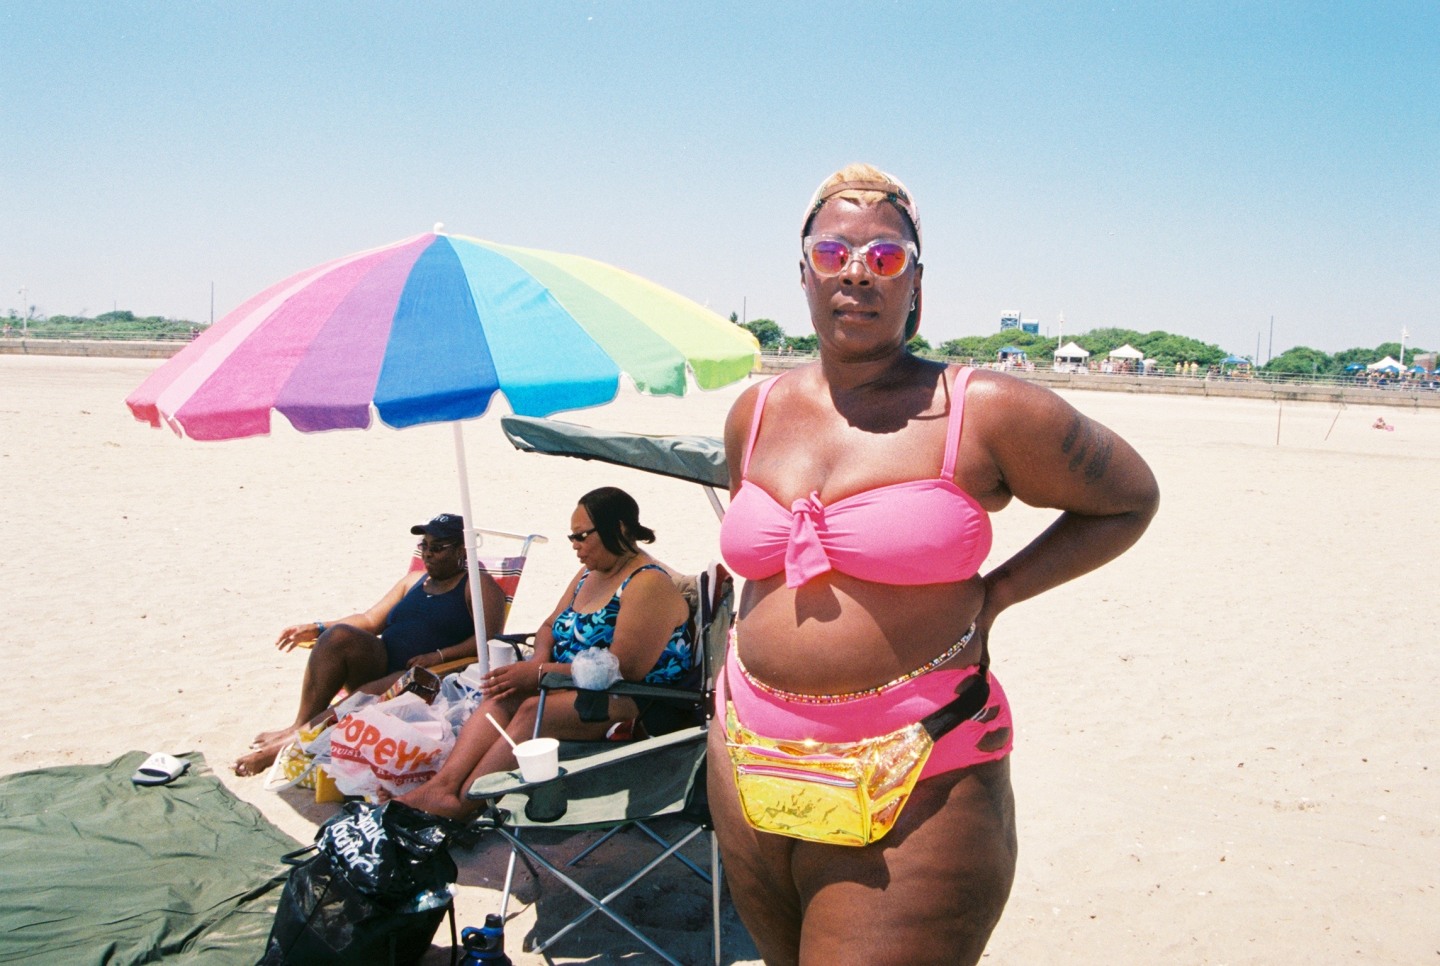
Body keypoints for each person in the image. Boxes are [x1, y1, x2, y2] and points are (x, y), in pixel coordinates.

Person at [708, 164, 1160, 965]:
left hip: (921, 771)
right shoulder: (757, 410)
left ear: (916, 282)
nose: (856, 271)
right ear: (803, 273)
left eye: (886, 257)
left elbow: (1127, 499)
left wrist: (1002, 592)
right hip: (745, 758)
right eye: (833, 252)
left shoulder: (981, 408)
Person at [398, 487, 694, 819]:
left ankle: (465, 802)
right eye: (572, 536)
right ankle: (441, 788)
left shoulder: (647, 583)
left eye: (582, 535)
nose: (574, 544)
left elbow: (623, 669)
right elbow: (548, 626)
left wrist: (540, 674)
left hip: (633, 699)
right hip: (571, 683)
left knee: (529, 710)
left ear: (621, 529)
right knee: (502, 695)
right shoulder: (588, 574)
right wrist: (539, 661)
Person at [233, 513, 505, 776]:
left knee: (369, 691)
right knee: (338, 636)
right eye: (424, 546)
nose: (428, 553)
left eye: (438, 548)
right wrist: (318, 627)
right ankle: (300, 726)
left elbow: (489, 638)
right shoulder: (414, 580)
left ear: (462, 551)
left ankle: (282, 749)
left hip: (427, 681)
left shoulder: (477, 585)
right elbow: (369, 619)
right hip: (384, 661)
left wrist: (439, 656)